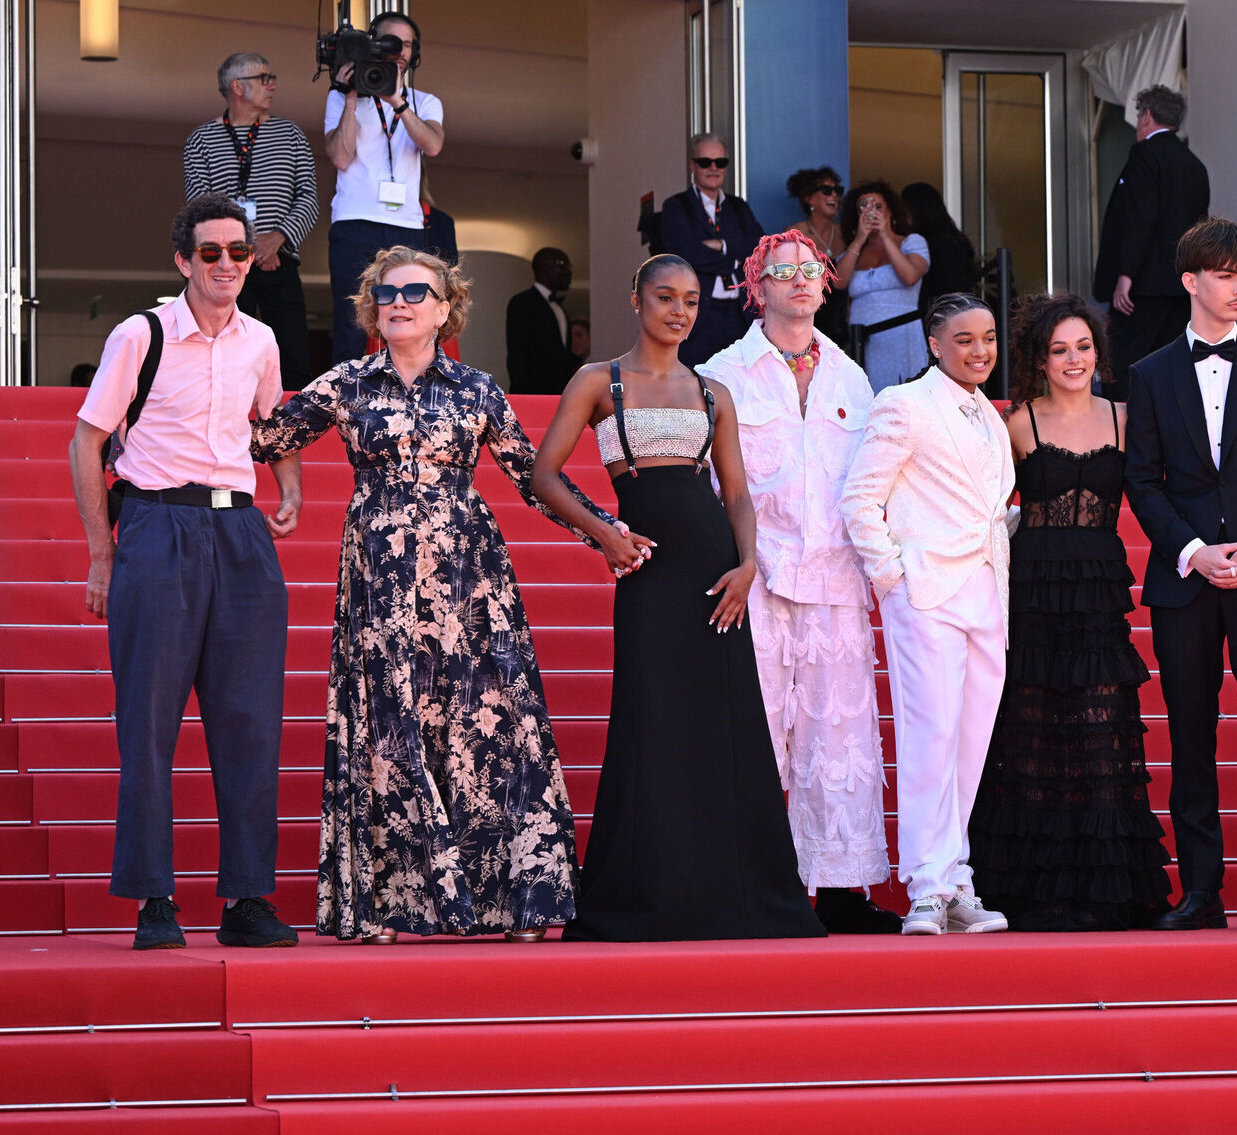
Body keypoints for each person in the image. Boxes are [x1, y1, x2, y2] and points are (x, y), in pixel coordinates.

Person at [251, 247, 615, 943]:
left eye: (416, 292)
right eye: (386, 293)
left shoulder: (477, 390)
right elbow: (269, 436)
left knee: (488, 722)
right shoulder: (347, 384)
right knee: (391, 723)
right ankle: (391, 905)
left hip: (469, 576)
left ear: (445, 309)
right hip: (380, 578)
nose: (399, 302)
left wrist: (606, 532)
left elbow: (531, 476)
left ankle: (514, 903)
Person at [532, 254, 825, 942]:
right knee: (652, 725)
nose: (679, 311)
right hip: (648, 576)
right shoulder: (597, 381)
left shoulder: (713, 392)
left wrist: (748, 566)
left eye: (691, 300)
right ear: (636, 299)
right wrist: (604, 533)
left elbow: (738, 494)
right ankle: (652, 894)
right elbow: (544, 474)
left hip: (715, 577)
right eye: (665, 297)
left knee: (724, 730)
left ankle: (731, 895)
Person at [67, 194, 299, 951]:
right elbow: (87, 441)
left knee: (252, 722)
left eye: (239, 251)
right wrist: (102, 553)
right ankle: (154, 900)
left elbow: (272, 426)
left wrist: (290, 487)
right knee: (148, 721)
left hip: (240, 532)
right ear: (183, 260)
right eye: (210, 252)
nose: (227, 264)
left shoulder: (261, 339)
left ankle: (247, 899)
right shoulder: (142, 333)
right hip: (157, 523)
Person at [696, 233, 899, 933]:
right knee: (751, 733)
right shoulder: (722, 372)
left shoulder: (852, 377)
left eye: (811, 269)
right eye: (783, 272)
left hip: (837, 579)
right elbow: (707, 482)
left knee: (838, 738)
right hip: (756, 575)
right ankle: (747, 887)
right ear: (758, 287)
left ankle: (840, 890)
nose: (800, 280)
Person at [1123, 218, 1237, 932]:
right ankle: (1200, 890)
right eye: (1227, 276)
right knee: (1190, 738)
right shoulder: (1149, 373)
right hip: (1184, 581)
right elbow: (1143, 480)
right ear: (1190, 281)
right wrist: (1193, 550)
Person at [967, 293, 1171, 931]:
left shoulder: (1125, 418)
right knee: (1032, 729)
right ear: (1040, 359)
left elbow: (1160, 493)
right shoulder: (1016, 424)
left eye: (1083, 347)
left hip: (1100, 592)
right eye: (1060, 350)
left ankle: (1107, 891)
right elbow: (982, 508)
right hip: (1032, 591)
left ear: (1098, 353)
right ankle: (1033, 892)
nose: (1074, 359)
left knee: (1102, 726)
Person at [841, 293, 1015, 936]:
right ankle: (925, 888)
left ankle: (955, 880)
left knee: (969, 747)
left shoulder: (991, 416)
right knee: (929, 741)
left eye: (988, 338)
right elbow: (860, 499)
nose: (980, 351)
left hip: (987, 597)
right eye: (964, 340)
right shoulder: (904, 404)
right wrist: (894, 578)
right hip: (926, 596)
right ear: (934, 345)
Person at [184, 52, 317, 390]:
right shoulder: (201, 139)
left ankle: (293, 421)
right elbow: (199, 206)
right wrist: (248, 247)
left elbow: (309, 199)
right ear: (238, 87)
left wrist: (277, 239)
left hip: (279, 261)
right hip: (223, 265)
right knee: (221, 351)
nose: (273, 85)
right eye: (264, 78)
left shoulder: (291, 134)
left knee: (293, 356)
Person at [323, 12, 443, 365]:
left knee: (411, 314)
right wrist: (349, 97)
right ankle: (344, 390)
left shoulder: (425, 101)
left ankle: (413, 385)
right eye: (392, 42)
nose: (400, 51)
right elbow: (340, 157)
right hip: (355, 219)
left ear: (415, 53)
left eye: (407, 45)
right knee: (351, 318)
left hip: (406, 223)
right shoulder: (341, 97)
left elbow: (433, 145)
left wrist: (397, 101)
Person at [1093, 85, 1211, 399]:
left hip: (1142, 287)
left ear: (1146, 116)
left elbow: (1139, 217)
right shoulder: (1195, 165)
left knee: (1124, 364)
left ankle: (1120, 427)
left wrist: (1126, 275)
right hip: (1181, 285)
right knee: (1171, 365)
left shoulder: (1144, 155)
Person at [657, 134, 765, 367]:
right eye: (705, 162)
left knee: (740, 382)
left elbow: (759, 246)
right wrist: (735, 262)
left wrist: (722, 245)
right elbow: (686, 253)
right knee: (696, 380)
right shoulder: (676, 206)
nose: (714, 168)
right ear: (693, 165)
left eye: (720, 162)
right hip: (700, 316)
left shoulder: (738, 206)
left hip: (740, 313)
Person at [838, 181, 931, 391]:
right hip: (864, 340)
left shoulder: (911, 242)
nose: (872, 212)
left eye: (878, 206)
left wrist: (885, 236)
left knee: (905, 396)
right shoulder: (855, 251)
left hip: (901, 335)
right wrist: (859, 239)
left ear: (891, 211)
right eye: (864, 208)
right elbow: (839, 282)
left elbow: (910, 276)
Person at [784, 166, 851, 347]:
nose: (834, 195)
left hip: (840, 323)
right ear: (809, 198)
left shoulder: (844, 234)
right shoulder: (796, 233)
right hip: (806, 321)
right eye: (826, 190)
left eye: (837, 190)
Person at [506, 247, 583, 396]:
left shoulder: (559, 308)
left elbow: (560, 354)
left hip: (560, 395)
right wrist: (523, 399)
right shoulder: (522, 303)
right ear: (545, 268)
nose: (569, 272)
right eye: (562, 265)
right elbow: (518, 356)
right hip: (534, 395)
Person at [903, 181, 978, 315]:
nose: (902, 217)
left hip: (939, 315)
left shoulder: (933, 244)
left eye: (905, 211)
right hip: (955, 313)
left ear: (917, 211)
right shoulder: (953, 240)